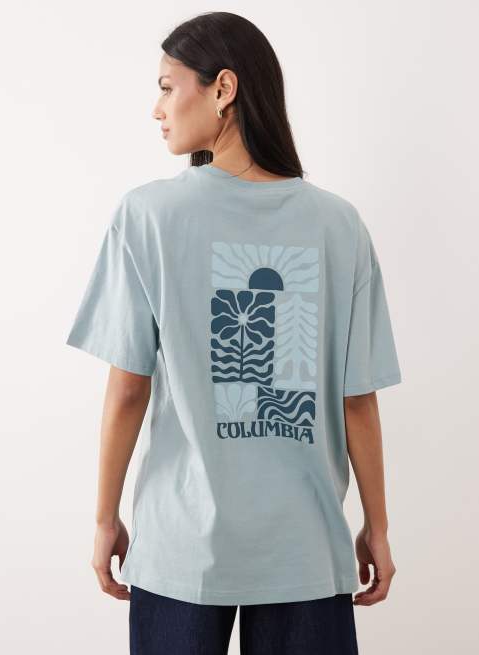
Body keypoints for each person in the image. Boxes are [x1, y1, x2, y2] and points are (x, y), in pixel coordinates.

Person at [65, 11, 402, 655]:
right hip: (307, 548)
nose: (157, 109)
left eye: (168, 87)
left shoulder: (148, 216)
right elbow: (356, 398)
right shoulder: (340, 226)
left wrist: (106, 520)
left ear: (222, 88)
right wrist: (377, 528)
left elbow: (129, 389)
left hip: (182, 546)